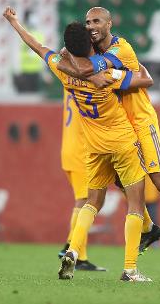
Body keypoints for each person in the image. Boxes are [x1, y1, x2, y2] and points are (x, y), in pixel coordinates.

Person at [3, 7, 155, 282]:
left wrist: (14, 22)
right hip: (121, 141)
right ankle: (130, 269)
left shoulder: (62, 70)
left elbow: (36, 46)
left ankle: (73, 250)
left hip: (93, 146)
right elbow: (144, 80)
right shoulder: (106, 74)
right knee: (135, 203)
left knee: (91, 203)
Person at [56, 7, 160, 271]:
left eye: (96, 21)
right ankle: (148, 229)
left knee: (159, 178)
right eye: (87, 22)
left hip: (142, 122)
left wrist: (63, 58)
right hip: (121, 130)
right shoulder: (97, 53)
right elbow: (134, 74)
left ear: (110, 23)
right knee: (124, 183)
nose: (91, 26)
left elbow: (143, 79)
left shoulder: (120, 49)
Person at [57, 85, 106, 272]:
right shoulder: (85, 84)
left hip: (68, 150)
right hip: (81, 152)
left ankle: (80, 256)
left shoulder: (68, 81)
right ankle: (70, 246)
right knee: (87, 201)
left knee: (84, 200)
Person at [13, 9, 45, 92]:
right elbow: (16, 53)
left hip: (37, 71)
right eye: (33, 17)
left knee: (35, 98)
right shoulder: (21, 33)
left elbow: (43, 53)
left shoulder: (39, 34)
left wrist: (44, 72)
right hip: (24, 72)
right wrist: (17, 70)